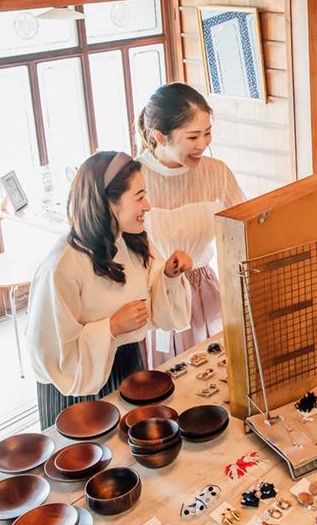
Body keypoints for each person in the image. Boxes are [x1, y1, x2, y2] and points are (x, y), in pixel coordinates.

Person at [27, 150, 193, 429]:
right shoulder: (61, 268)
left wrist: (169, 275)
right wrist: (112, 327)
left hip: (127, 367)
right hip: (77, 388)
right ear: (107, 202)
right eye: (139, 197)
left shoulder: (132, 241)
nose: (149, 205)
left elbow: (153, 304)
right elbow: (52, 353)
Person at [136, 83, 245, 366]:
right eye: (193, 136)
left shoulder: (216, 173)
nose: (203, 144)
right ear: (160, 137)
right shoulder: (134, 179)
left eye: (207, 133)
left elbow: (245, 226)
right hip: (157, 296)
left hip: (204, 288)